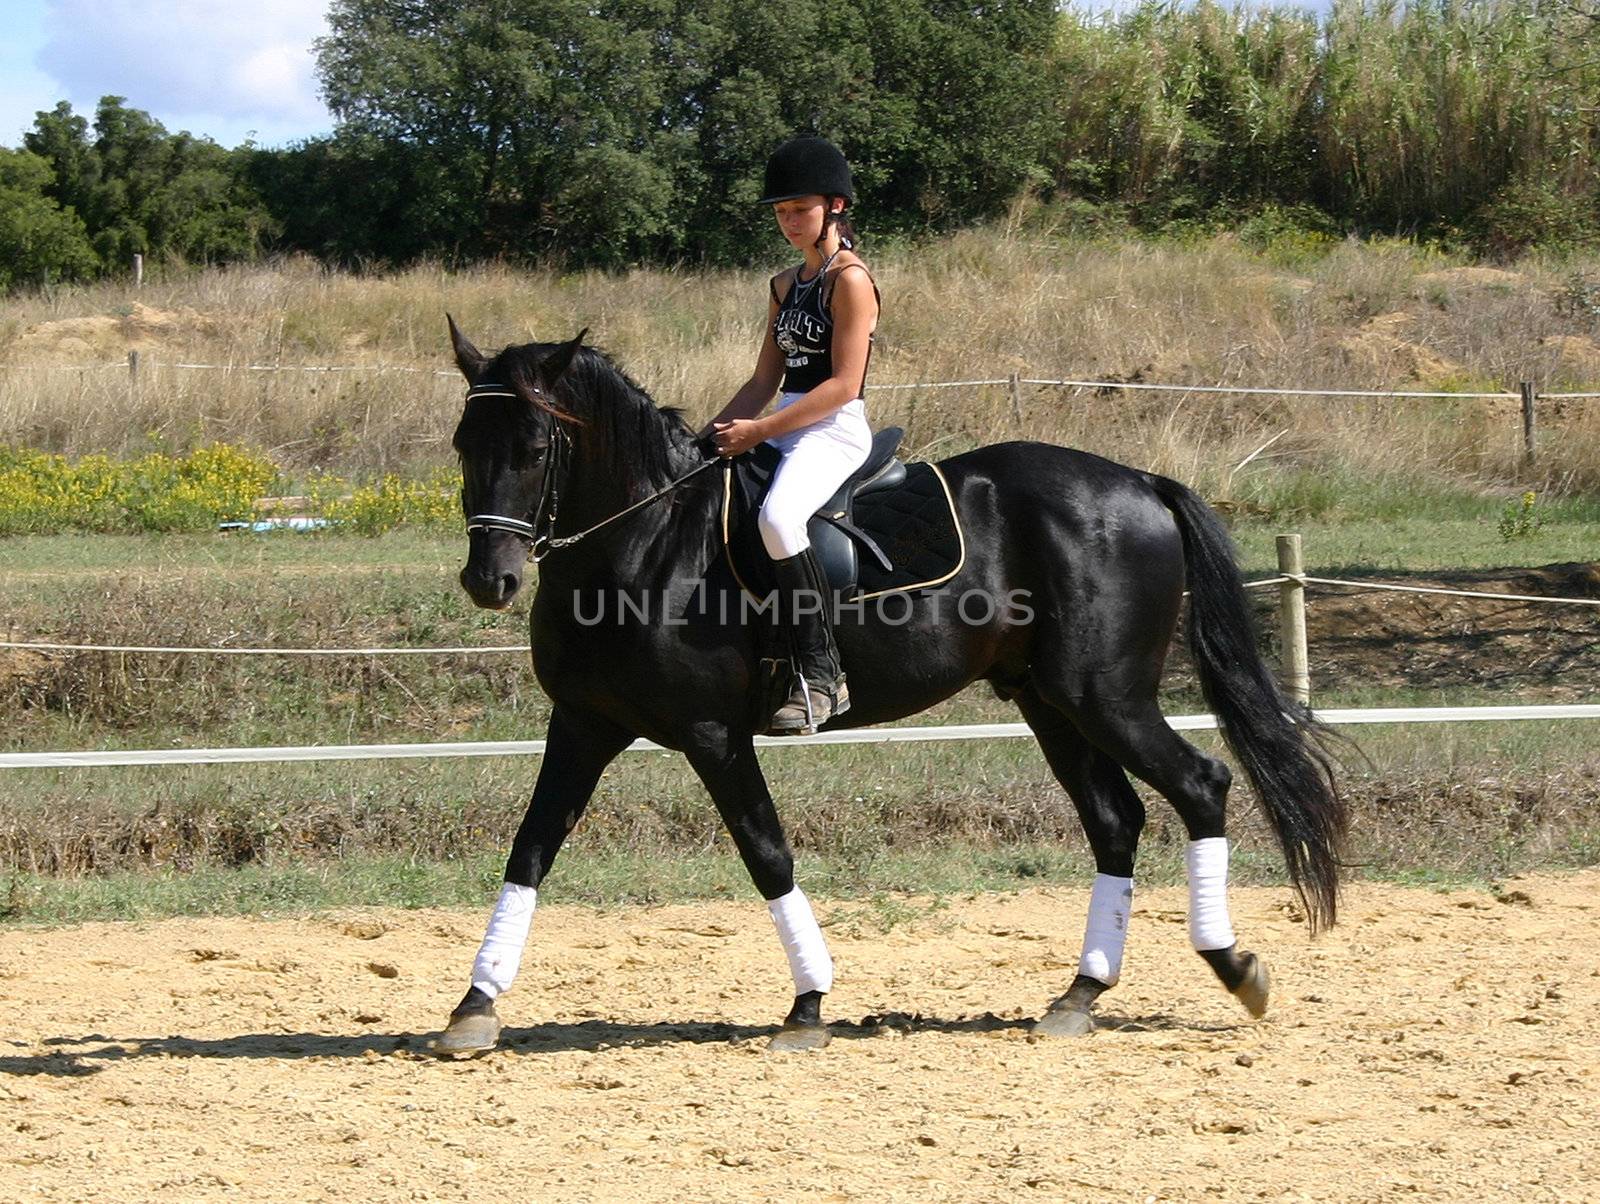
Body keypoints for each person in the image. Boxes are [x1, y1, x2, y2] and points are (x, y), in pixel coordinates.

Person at [705, 135, 882, 735]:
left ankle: (823, 675)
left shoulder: (851, 281)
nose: (789, 222)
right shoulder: (783, 285)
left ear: (834, 206)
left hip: (833, 428)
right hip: (783, 420)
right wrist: (707, 437)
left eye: (799, 210)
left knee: (779, 519)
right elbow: (763, 379)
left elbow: (842, 385)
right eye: (781, 213)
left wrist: (759, 431)